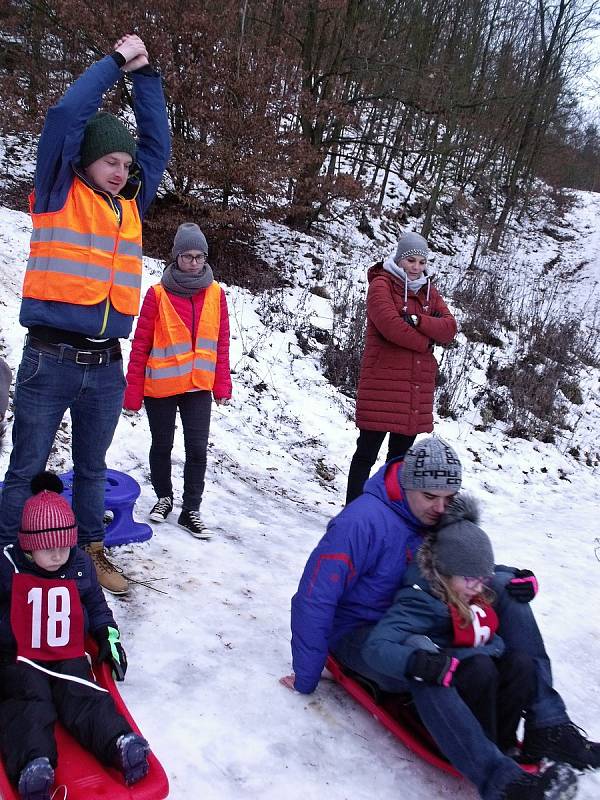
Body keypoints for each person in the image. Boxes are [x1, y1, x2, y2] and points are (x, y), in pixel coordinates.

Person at [283, 436, 599, 800]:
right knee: (424, 656)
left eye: (449, 498)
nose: (441, 508)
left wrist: (513, 576)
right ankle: (501, 780)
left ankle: (550, 727)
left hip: (428, 608)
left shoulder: (437, 511)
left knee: (508, 594)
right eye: (431, 497)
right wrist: (307, 675)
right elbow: (315, 595)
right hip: (364, 633)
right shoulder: (360, 522)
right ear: (407, 484)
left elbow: (462, 564)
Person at [0, 34, 171, 594]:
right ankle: (8, 562)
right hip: (49, 359)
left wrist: (145, 79)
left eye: (125, 162)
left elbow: (157, 148)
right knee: (26, 468)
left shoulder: (131, 204)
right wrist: (116, 63)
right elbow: (67, 114)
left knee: (93, 470)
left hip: (105, 364)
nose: (121, 170)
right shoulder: (56, 187)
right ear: (85, 160)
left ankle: (90, 554)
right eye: (110, 160)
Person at [0, 473, 150, 800]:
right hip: (23, 657)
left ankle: (121, 744)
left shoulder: (79, 565)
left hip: (68, 653)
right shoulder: (9, 566)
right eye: (48, 548)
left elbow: (97, 607)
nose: (58, 555)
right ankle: (34, 764)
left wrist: (109, 638)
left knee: (84, 694)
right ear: (28, 545)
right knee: (28, 702)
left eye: (65, 545)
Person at [362, 494, 538, 758]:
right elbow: (375, 647)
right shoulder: (419, 599)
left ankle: (504, 742)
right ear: (443, 572)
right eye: (470, 579)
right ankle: (483, 752)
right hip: (445, 703)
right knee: (481, 668)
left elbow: (478, 570)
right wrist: (414, 662)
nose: (478, 586)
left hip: (480, 684)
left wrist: (518, 576)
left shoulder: (469, 587)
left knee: (521, 664)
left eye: (483, 578)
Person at [123, 222, 231, 538]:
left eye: (199, 256)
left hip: (198, 386)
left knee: (197, 449)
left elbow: (222, 343)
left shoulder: (216, 294)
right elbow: (140, 345)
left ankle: (191, 510)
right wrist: (133, 393)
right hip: (162, 386)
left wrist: (222, 384)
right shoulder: (156, 295)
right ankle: (164, 498)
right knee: (162, 444)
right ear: (176, 257)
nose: (194, 262)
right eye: (187, 256)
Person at [346, 232, 457, 504]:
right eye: (411, 260)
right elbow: (390, 326)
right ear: (399, 258)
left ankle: (384, 513)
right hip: (383, 385)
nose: (416, 267)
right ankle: (353, 512)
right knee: (366, 454)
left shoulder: (429, 292)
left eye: (421, 261)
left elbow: (450, 328)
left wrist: (418, 321)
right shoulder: (382, 285)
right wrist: (427, 342)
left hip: (414, 390)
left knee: (398, 462)